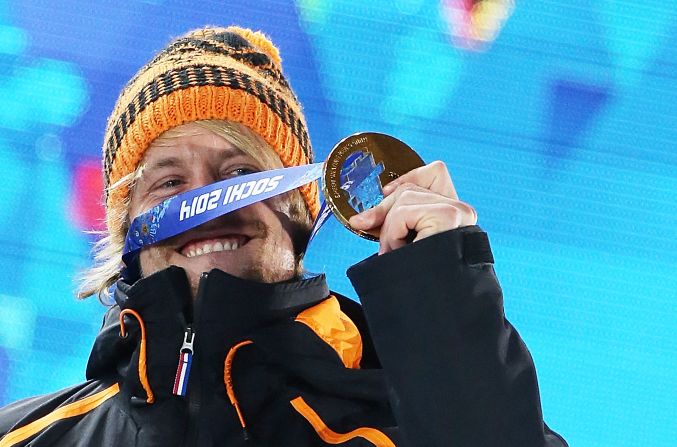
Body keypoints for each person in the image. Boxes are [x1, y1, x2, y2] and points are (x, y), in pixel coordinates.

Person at [0, 26, 567, 447]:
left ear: (300, 207)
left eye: (241, 175)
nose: (204, 209)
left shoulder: (418, 425)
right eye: (169, 184)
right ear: (129, 235)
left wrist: (441, 308)